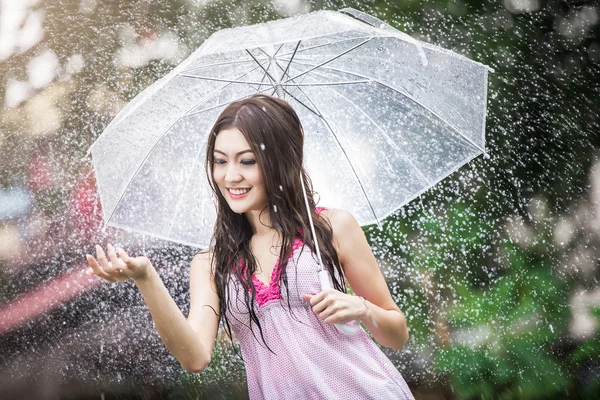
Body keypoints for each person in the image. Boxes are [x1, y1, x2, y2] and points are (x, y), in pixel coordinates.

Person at [85, 94, 414, 399]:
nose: (230, 176)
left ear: (280, 161)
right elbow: (196, 356)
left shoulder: (332, 228)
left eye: (246, 161)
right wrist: (146, 277)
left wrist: (364, 309)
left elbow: (396, 335)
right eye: (220, 161)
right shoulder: (212, 264)